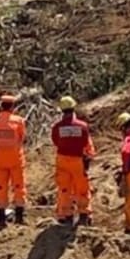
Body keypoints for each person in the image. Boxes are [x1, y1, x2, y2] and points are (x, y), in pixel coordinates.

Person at [50, 96, 96, 226]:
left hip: (62, 160)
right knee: (82, 188)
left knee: (64, 189)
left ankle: (66, 216)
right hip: (78, 160)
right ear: (74, 108)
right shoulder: (82, 126)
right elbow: (86, 143)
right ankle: (84, 215)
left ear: (62, 110)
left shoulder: (57, 127)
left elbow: (55, 142)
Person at [0, 92, 27, 226]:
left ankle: (1, 218)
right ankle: (19, 217)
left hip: (0, 159)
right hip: (16, 159)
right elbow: (22, 138)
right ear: (12, 107)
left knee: (1, 187)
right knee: (18, 186)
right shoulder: (18, 121)